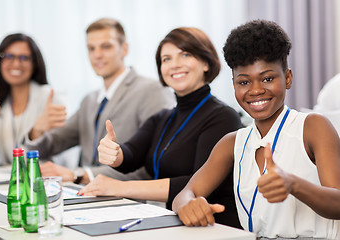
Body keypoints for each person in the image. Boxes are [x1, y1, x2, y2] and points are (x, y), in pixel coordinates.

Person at [172, 20, 340, 239]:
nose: (256, 90)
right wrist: (188, 204)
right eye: (244, 82)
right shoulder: (232, 142)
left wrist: (294, 185)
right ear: (234, 85)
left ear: (287, 78)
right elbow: (186, 193)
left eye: (267, 78)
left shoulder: (312, 127)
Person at [79, 27, 243, 228]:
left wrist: (121, 187)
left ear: (206, 63)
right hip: (171, 223)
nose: (175, 65)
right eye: (166, 59)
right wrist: (114, 153)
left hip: (214, 227)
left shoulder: (223, 117)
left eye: (185, 54)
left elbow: (195, 184)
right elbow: (131, 154)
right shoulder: (162, 118)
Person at [24, 18, 175, 184]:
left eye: (106, 46)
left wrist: (80, 175)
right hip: (88, 197)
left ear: (124, 49)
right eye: (91, 48)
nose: (97, 55)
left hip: (129, 201)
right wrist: (37, 130)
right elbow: (48, 146)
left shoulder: (152, 90)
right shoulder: (89, 101)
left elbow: (154, 163)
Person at [0, 33, 66, 165]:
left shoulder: (49, 97)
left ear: (34, 63)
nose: (16, 64)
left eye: (24, 58)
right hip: (9, 182)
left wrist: (37, 132)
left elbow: (61, 150)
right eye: (9, 56)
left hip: (42, 179)